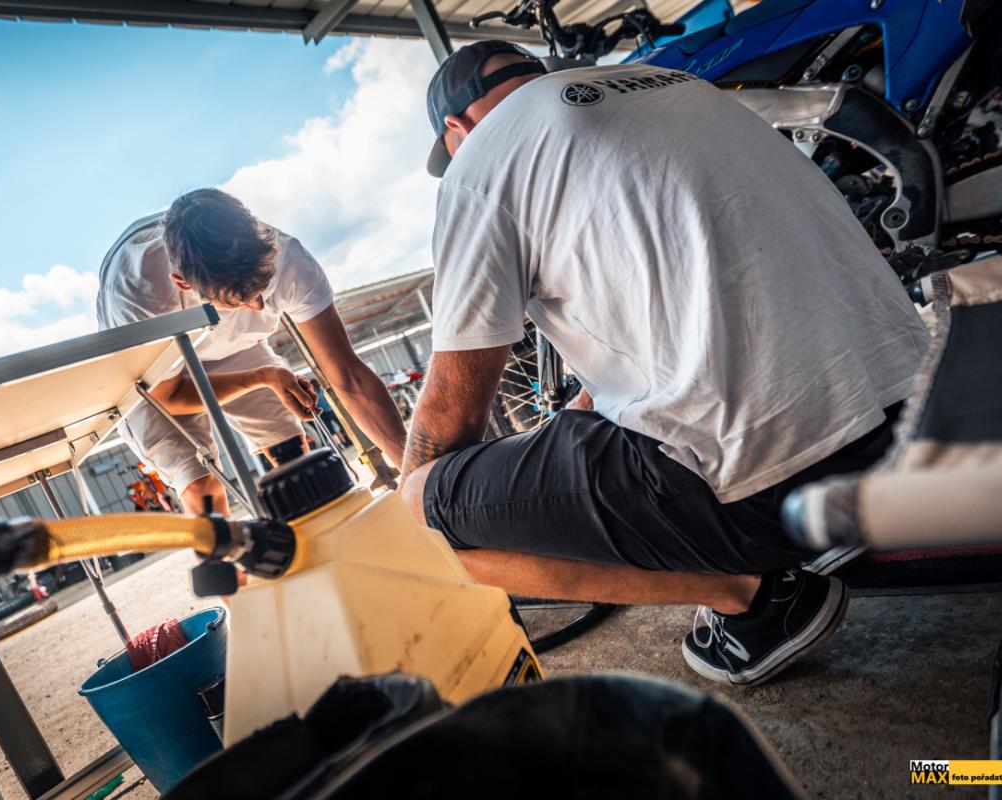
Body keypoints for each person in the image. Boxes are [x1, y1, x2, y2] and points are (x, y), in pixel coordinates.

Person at [399, 41, 930, 686]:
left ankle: (754, 599)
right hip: (910, 423)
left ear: (456, 128)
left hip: (775, 485)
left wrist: (408, 512)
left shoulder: (482, 162)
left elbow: (450, 411)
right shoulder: (672, 86)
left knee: (422, 509)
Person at [98, 188, 406, 515]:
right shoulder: (139, 295)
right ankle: (224, 545)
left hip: (231, 345)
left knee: (294, 451)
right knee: (202, 485)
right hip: (155, 371)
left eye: (262, 287)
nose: (259, 306)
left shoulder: (286, 257)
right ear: (183, 282)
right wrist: (264, 377)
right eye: (239, 300)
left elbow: (347, 373)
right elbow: (170, 396)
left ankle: (323, 532)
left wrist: (416, 472)